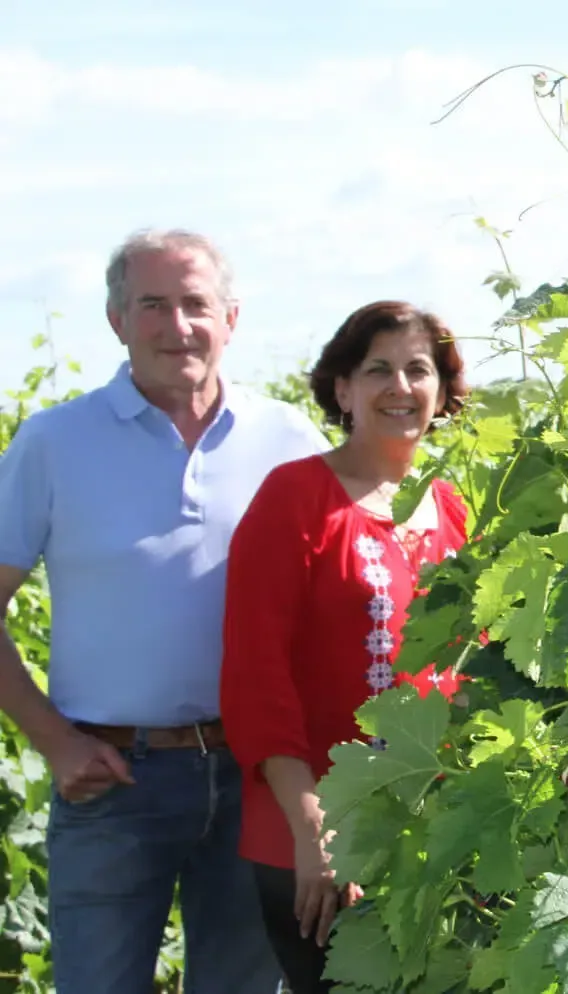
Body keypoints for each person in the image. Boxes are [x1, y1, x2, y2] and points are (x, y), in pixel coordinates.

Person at [0, 229, 327, 991]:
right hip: (113, 779)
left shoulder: (288, 440)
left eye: (195, 304)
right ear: (117, 319)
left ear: (231, 318)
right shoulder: (55, 442)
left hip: (258, 779)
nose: (177, 326)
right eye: (153, 305)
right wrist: (53, 741)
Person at [219, 300, 472, 994]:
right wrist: (316, 833)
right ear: (342, 390)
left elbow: (475, 667)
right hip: (314, 837)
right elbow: (256, 679)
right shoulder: (295, 498)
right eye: (378, 369)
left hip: (432, 833)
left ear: (444, 391)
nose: (400, 387)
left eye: (419, 369)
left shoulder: (452, 508)